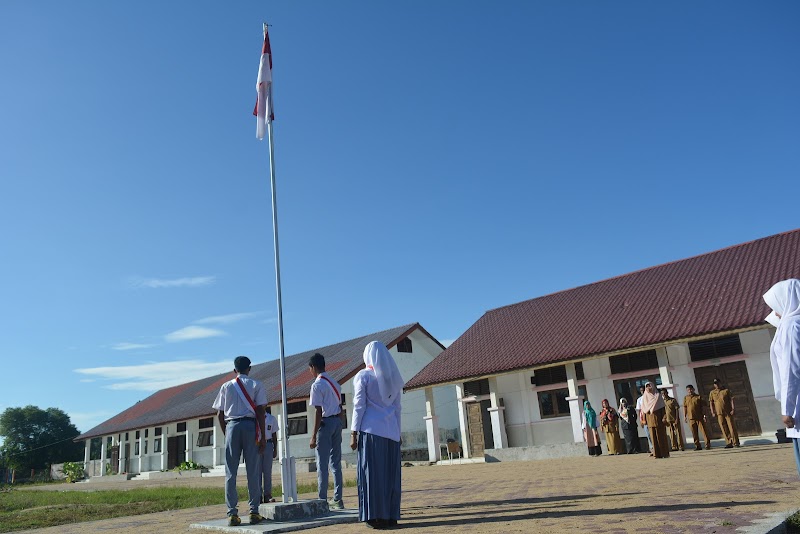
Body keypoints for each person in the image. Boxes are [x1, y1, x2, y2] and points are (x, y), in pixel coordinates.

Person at [349, 341, 404, 529]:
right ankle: (391, 516)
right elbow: (397, 409)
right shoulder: (393, 378)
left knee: (371, 475)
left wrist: (353, 432)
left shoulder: (363, 376)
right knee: (390, 475)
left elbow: (359, 405)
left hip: (371, 432)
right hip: (392, 433)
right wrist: (399, 431)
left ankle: (374, 517)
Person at [212, 356, 267, 526]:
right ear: (249, 368)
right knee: (253, 471)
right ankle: (254, 512)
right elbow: (260, 411)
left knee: (230, 473)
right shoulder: (256, 385)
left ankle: (232, 514)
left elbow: (219, 413)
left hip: (232, 427)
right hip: (250, 427)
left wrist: (226, 432)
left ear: (234, 370)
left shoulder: (226, 386)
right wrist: (263, 436)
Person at [763, 279, 800, 477]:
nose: (774, 311)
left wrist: (787, 409)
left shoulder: (791, 325)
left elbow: (791, 369)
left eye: (776, 305)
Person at [308, 352, 344, 509]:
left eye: (310, 369)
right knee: (335, 463)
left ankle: (322, 500)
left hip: (325, 423)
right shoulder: (335, 383)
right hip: (337, 422)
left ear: (314, 367)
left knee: (322, 464)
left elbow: (317, 411)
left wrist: (313, 435)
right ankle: (338, 499)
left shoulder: (317, 385)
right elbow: (340, 408)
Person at [639, 382, 670, 458]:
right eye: (647, 386)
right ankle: (656, 454)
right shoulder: (644, 398)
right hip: (650, 421)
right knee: (653, 438)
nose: (648, 388)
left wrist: (664, 418)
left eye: (649, 386)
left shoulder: (658, 396)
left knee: (661, 437)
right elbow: (643, 411)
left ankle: (664, 453)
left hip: (659, 420)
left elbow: (663, 409)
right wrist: (643, 421)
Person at [709, 378, 740, 448]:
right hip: (719, 413)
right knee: (723, 427)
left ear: (720, 383)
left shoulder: (726, 391)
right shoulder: (712, 392)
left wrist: (733, 409)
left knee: (731, 427)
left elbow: (731, 400)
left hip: (728, 412)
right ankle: (729, 442)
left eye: (718, 383)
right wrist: (712, 412)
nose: (717, 385)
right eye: (715, 384)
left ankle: (736, 442)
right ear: (714, 385)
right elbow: (711, 403)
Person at [684, 385, 712, 450]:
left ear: (693, 389)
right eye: (688, 390)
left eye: (691, 389)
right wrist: (685, 416)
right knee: (694, 432)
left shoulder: (698, 397)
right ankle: (697, 445)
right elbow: (685, 407)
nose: (690, 391)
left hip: (699, 417)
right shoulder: (686, 398)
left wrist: (704, 415)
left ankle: (707, 444)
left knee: (704, 431)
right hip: (691, 418)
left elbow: (704, 407)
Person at [260, 407, 279, 503]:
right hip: (257, 445)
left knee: (267, 471)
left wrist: (275, 449)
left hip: (268, 445)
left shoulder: (271, 418)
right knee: (257, 472)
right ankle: (258, 496)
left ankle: (267, 495)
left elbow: (274, 435)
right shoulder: (255, 418)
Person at [636, 385, 654, 454]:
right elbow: (639, 411)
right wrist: (641, 420)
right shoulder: (639, 400)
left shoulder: (651, 397)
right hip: (644, 419)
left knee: (653, 433)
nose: (642, 392)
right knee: (648, 434)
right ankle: (652, 448)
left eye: (644, 390)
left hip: (651, 417)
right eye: (641, 391)